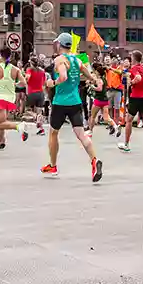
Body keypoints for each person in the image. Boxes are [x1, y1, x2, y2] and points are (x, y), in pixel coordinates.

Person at [41, 33, 104, 181]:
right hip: (75, 102)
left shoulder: (60, 60)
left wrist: (53, 83)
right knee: (81, 135)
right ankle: (94, 160)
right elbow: (87, 73)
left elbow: (63, 77)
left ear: (59, 44)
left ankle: (53, 165)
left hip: (61, 103)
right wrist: (96, 80)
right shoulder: (76, 60)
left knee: (53, 133)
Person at [0, 48, 30, 157]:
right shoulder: (15, 69)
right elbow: (24, 83)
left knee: (0, 123)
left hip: (0, 96)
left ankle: (19, 126)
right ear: (10, 56)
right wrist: (14, 85)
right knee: (2, 124)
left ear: (0, 56)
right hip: (10, 97)